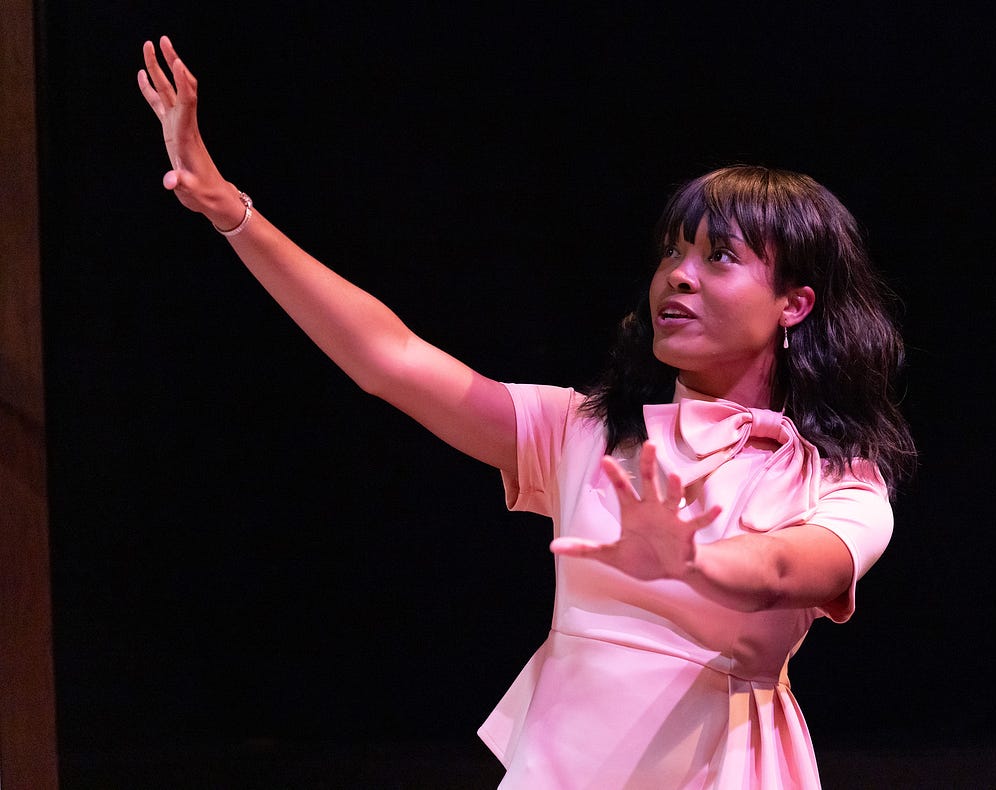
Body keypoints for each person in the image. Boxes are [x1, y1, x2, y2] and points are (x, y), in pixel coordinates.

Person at [138, 35, 916, 789]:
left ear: (795, 303)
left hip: (723, 768)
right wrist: (229, 211)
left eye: (720, 256)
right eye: (672, 253)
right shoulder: (585, 428)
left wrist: (694, 562)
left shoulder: (839, 479)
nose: (678, 277)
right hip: (568, 764)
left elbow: (788, 568)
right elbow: (390, 358)